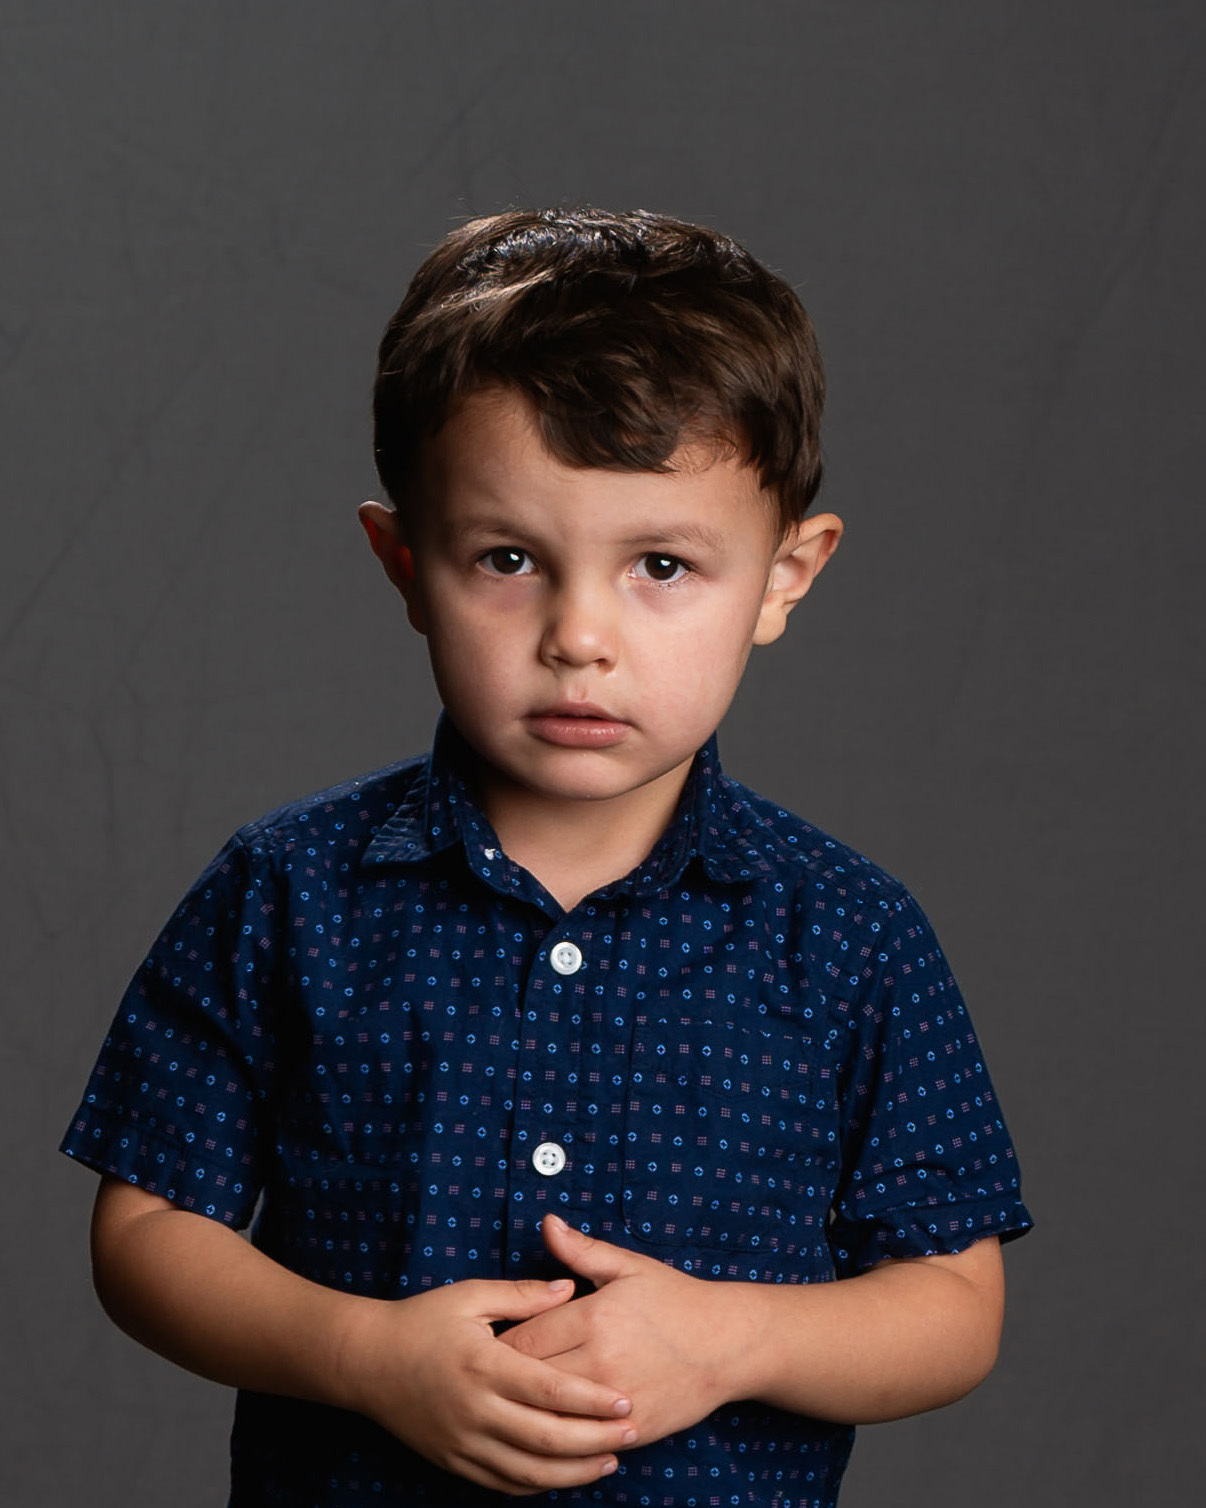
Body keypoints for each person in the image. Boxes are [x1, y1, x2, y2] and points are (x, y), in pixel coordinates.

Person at [61, 206, 1032, 1508]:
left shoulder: (849, 934)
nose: (579, 635)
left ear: (784, 577)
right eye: (509, 558)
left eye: (661, 565)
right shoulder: (286, 889)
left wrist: (732, 1339)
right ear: (406, 562)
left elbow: (953, 1303)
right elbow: (146, 1231)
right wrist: (362, 1354)